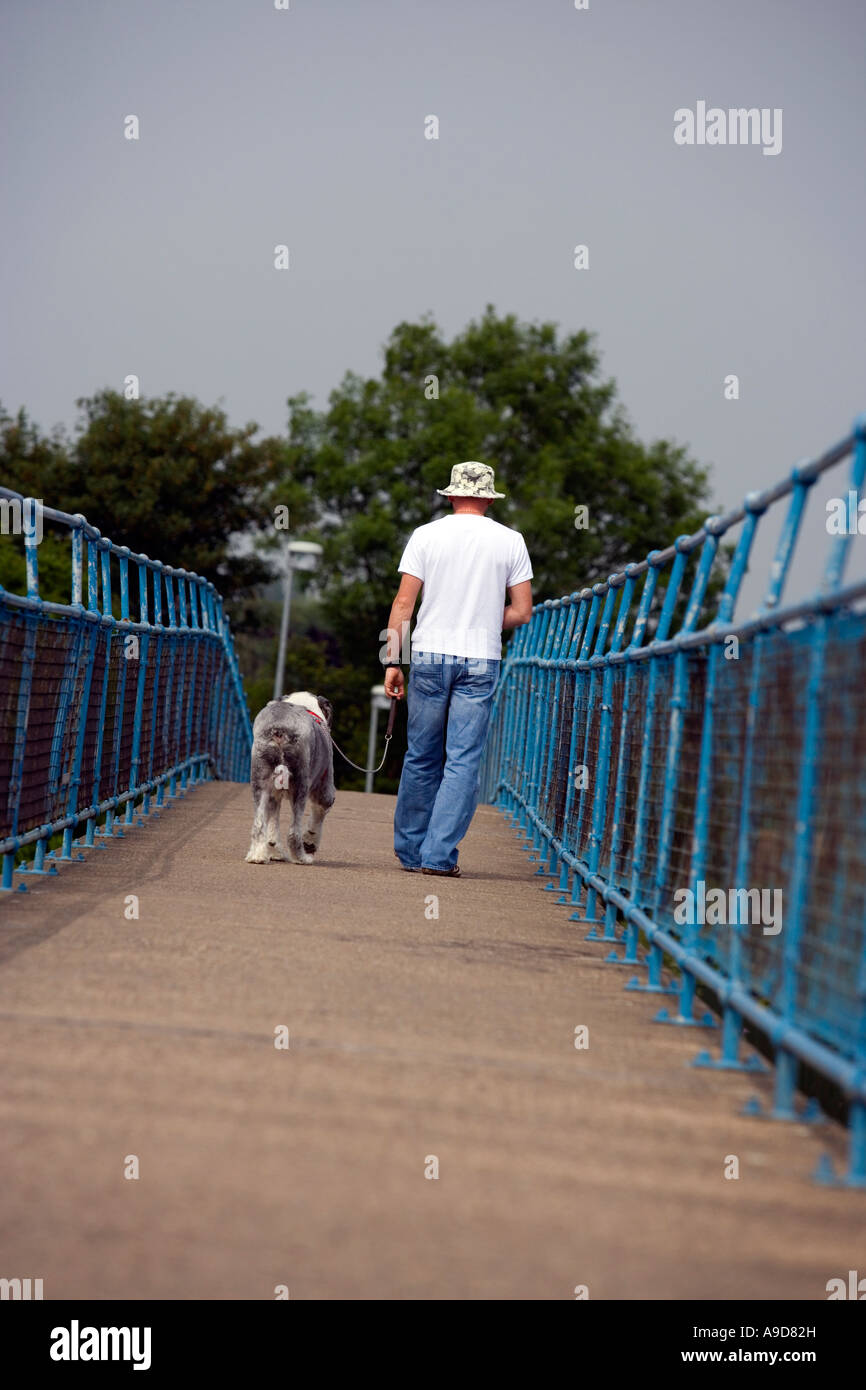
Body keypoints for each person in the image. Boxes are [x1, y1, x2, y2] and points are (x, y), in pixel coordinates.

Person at [383, 461, 533, 877]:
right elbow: (522, 612)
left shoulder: (426, 536)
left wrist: (394, 661)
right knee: (462, 761)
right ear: (488, 497)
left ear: (450, 495)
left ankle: (411, 852)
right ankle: (438, 856)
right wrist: (485, 619)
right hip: (481, 658)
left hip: (429, 655)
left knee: (421, 756)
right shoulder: (511, 541)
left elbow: (402, 605)